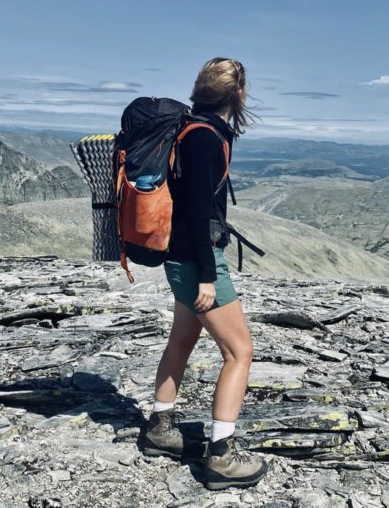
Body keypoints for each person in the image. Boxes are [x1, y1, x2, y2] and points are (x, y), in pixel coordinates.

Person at [141, 57, 267, 490]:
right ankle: (221, 456)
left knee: (183, 338)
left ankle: (160, 428)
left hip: (179, 258)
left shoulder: (188, 129)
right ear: (238, 95)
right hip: (196, 261)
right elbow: (197, 212)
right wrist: (209, 277)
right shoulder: (205, 139)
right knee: (239, 353)